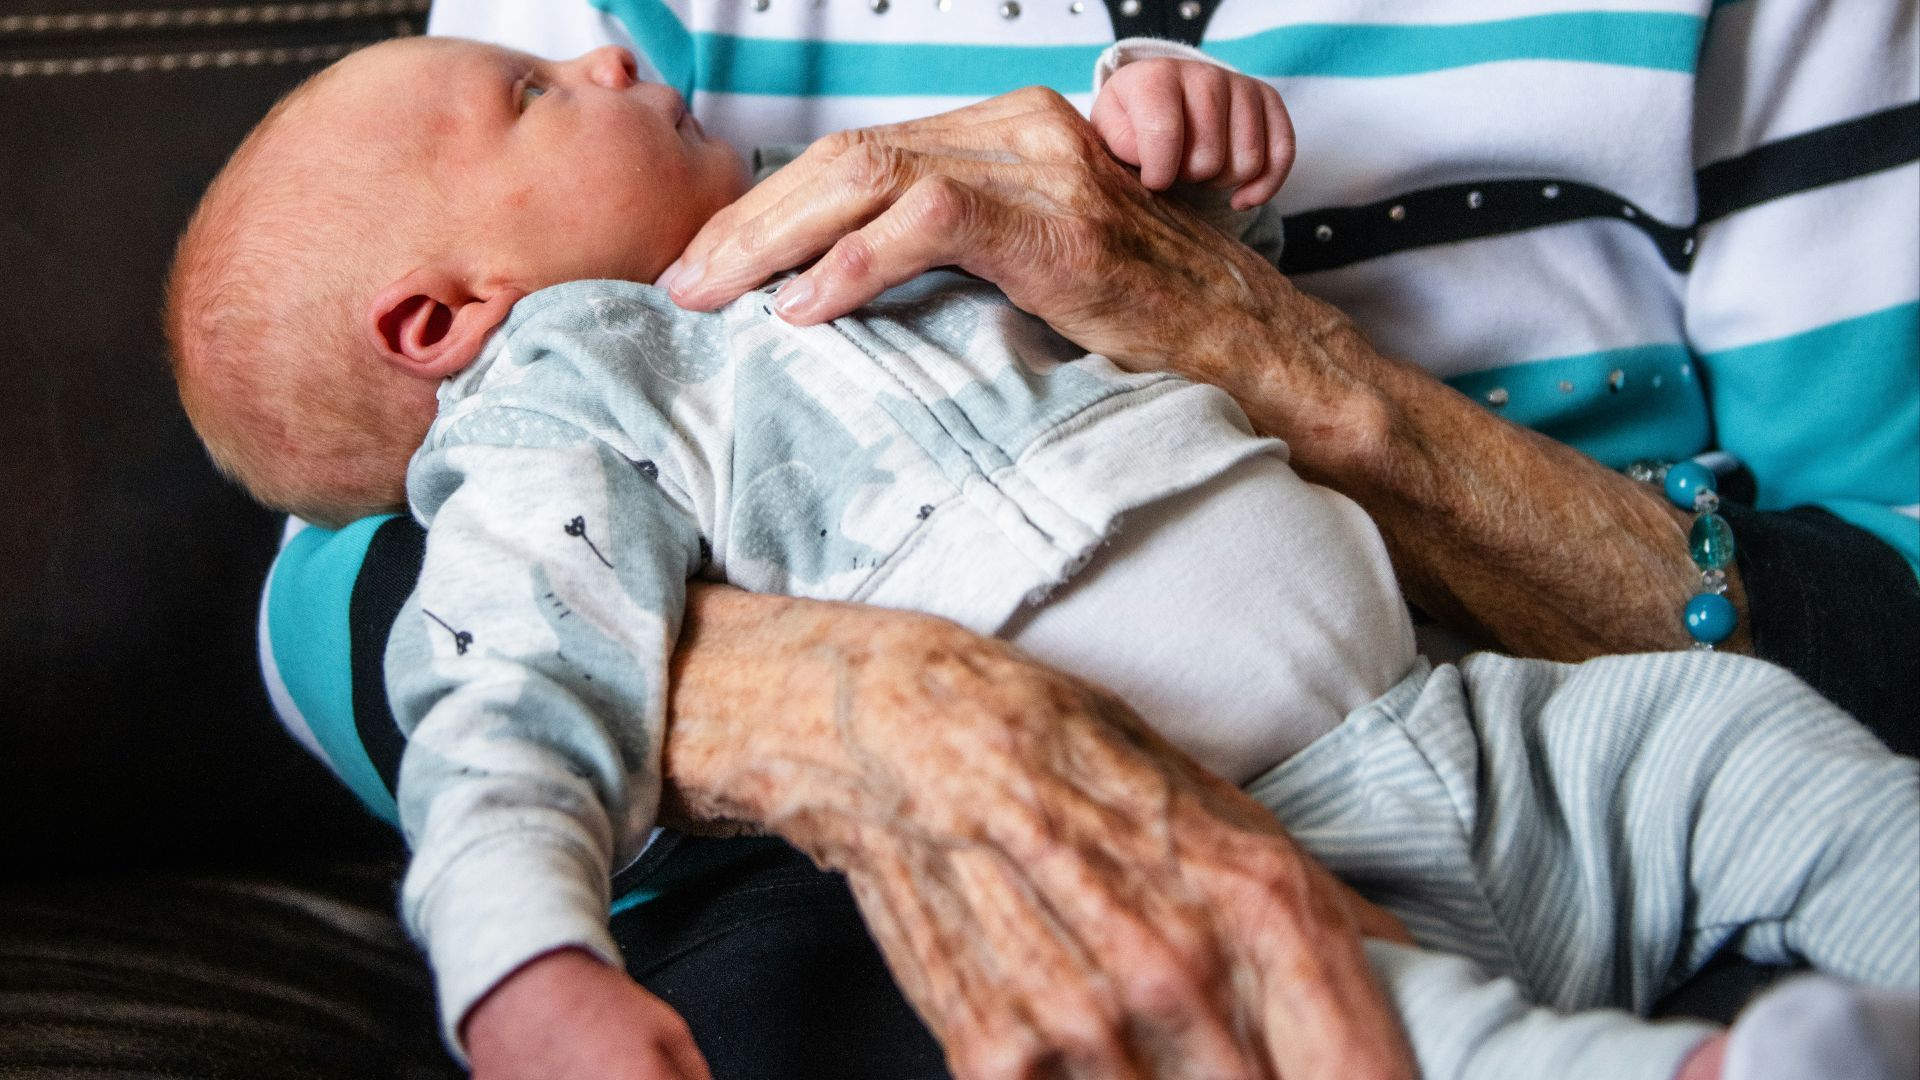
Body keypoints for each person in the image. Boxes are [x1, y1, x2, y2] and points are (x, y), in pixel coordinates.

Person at [169, 33, 1920, 1080]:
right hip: (1223, 855)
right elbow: (489, 690)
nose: (612, 58)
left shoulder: (838, 213)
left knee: (1745, 755)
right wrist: (525, 970)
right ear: (445, 318)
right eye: (541, 93)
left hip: (1497, 714)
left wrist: (1184, 193)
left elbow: (1133, 317)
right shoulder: (570, 417)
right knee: (1346, 1041)